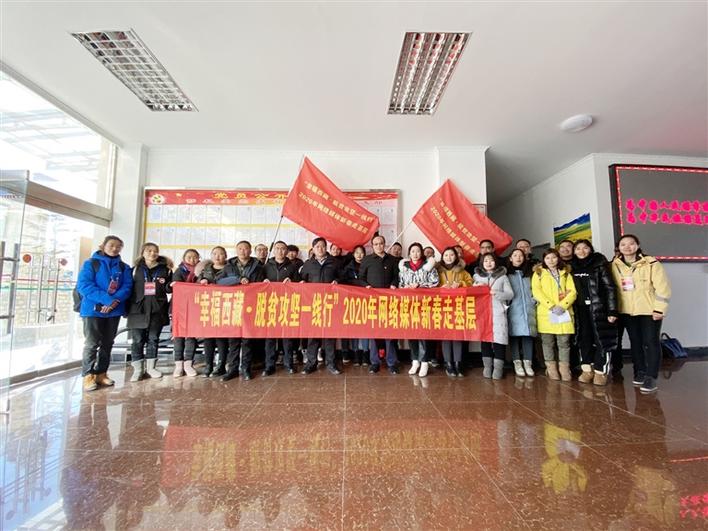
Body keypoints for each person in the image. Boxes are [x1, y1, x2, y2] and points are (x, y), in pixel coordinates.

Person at [610, 234, 671, 393]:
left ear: (637, 245)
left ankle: (651, 377)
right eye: (623, 244)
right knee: (635, 341)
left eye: (631, 243)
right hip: (626, 311)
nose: (627, 247)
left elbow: (663, 288)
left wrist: (659, 309)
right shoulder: (614, 265)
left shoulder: (651, 263)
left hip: (649, 310)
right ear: (619, 247)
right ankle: (640, 371)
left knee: (651, 342)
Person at [76, 235, 133, 391]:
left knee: (108, 343)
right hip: (93, 310)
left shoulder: (124, 267)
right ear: (103, 245)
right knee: (92, 343)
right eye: (111, 245)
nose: (115, 248)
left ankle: (101, 373)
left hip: (114, 311)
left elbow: (127, 287)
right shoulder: (91, 264)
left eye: (118, 246)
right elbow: (84, 285)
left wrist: (114, 302)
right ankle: (88, 375)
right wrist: (107, 300)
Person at [569, 240, 618, 386]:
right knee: (584, 338)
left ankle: (600, 371)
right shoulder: (571, 266)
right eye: (578, 248)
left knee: (601, 339)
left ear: (590, 249)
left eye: (585, 248)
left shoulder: (599, 263)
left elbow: (610, 287)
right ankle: (587, 369)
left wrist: (612, 310)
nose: (581, 251)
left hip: (599, 307)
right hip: (579, 309)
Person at [126, 243, 173, 381]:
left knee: (153, 339)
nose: (152, 253)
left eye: (155, 251)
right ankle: (138, 369)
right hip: (137, 310)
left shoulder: (166, 270)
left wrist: (171, 285)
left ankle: (151, 368)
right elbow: (128, 288)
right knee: (137, 340)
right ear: (142, 252)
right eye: (149, 251)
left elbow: (168, 289)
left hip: (157, 309)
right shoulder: (134, 270)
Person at [219, 240, 265, 381]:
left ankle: (246, 368)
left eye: (246, 249)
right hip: (234, 306)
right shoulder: (229, 266)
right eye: (240, 248)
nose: (243, 251)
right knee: (233, 340)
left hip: (251, 306)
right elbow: (220, 281)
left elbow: (262, 285)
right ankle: (232, 369)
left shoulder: (258, 266)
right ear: (236, 250)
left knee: (247, 340)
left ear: (250, 251)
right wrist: (238, 279)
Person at [531, 249, 577, 381]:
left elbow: (572, 292)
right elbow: (537, 292)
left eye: (554, 257)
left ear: (558, 258)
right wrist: (551, 305)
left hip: (563, 312)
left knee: (564, 342)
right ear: (544, 260)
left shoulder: (566, 273)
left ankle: (564, 369)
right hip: (547, 312)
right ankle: (551, 368)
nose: (551, 260)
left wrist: (563, 305)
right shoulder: (538, 273)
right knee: (547, 342)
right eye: (547, 258)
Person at [357, 234, 400, 374]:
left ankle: (392, 362)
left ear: (384, 244)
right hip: (372, 302)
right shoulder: (367, 260)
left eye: (381, 243)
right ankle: (374, 362)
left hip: (389, 302)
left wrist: (394, 284)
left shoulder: (392, 260)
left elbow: (397, 277)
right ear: (372, 246)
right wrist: (366, 286)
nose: (379, 246)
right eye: (376, 244)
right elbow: (360, 278)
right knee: (374, 332)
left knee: (390, 333)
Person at [299, 237, 342, 375]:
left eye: (323, 246)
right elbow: (302, 279)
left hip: (330, 303)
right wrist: (301, 283)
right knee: (313, 335)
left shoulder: (334, 262)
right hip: (314, 304)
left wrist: (337, 281)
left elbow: (342, 277)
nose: (320, 249)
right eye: (317, 246)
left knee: (330, 335)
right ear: (313, 249)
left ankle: (331, 363)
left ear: (326, 247)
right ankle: (311, 364)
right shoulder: (308, 264)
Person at [398, 243, 439, 377]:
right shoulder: (404, 267)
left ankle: (424, 361)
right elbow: (400, 284)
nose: (415, 254)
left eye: (417, 251)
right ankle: (415, 360)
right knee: (412, 333)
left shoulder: (428, 266)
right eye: (413, 251)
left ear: (421, 253)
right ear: (409, 254)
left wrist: (420, 285)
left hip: (424, 305)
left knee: (423, 334)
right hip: (409, 305)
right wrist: (406, 287)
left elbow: (435, 282)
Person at [262, 240, 300, 375]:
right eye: (277, 248)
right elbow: (258, 283)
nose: (280, 251)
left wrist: (292, 282)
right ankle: (269, 366)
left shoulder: (292, 266)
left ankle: (288, 364)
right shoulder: (266, 266)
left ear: (287, 251)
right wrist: (263, 282)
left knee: (287, 336)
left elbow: (299, 284)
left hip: (286, 304)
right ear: (274, 250)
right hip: (270, 305)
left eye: (283, 249)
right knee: (270, 337)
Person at [473, 253, 514, 379]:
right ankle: (487, 367)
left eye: (491, 260)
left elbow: (510, 294)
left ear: (496, 262)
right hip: (482, 313)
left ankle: (498, 368)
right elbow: (471, 294)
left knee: (499, 340)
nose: (489, 263)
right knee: (485, 340)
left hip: (498, 312)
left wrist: (495, 293)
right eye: (486, 261)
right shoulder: (477, 277)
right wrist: (476, 287)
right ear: (482, 263)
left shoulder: (503, 277)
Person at [436, 247, 473, 377]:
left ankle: (458, 363)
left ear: (456, 257)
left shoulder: (462, 271)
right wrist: (440, 287)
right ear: (442, 257)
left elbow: (471, 283)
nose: (449, 257)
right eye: (446, 255)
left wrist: (461, 284)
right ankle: (448, 364)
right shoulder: (437, 271)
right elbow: (431, 286)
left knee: (457, 335)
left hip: (459, 306)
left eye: (451, 255)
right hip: (442, 307)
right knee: (446, 336)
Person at [197, 246, 230, 377]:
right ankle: (208, 365)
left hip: (224, 306)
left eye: (221, 254)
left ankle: (221, 365)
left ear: (225, 256)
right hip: (208, 306)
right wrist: (202, 281)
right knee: (208, 338)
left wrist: (220, 283)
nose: (218, 256)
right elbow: (197, 283)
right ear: (211, 256)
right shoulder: (206, 269)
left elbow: (235, 281)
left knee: (222, 338)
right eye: (215, 253)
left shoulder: (230, 269)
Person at [506, 249, 538, 377]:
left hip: (529, 308)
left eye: (521, 255)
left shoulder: (531, 274)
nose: (518, 258)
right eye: (515, 255)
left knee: (528, 335)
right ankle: (517, 363)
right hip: (514, 309)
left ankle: (528, 363)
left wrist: (534, 300)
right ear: (510, 258)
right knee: (514, 336)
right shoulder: (507, 274)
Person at [171, 249, 201, 377]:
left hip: (195, 307)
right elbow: (176, 287)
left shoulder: (201, 271)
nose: (192, 260)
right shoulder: (179, 271)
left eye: (195, 257)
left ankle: (188, 364)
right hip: (179, 307)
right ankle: (178, 365)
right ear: (184, 258)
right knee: (179, 335)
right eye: (189, 257)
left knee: (191, 336)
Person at [341, 245, 369, 366]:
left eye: (361, 252)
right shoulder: (348, 267)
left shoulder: (369, 265)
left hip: (366, 300)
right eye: (357, 253)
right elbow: (345, 281)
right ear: (353, 254)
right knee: (354, 328)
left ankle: (366, 354)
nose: (359, 255)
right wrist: (359, 283)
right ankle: (356, 354)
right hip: (352, 301)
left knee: (365, 328)